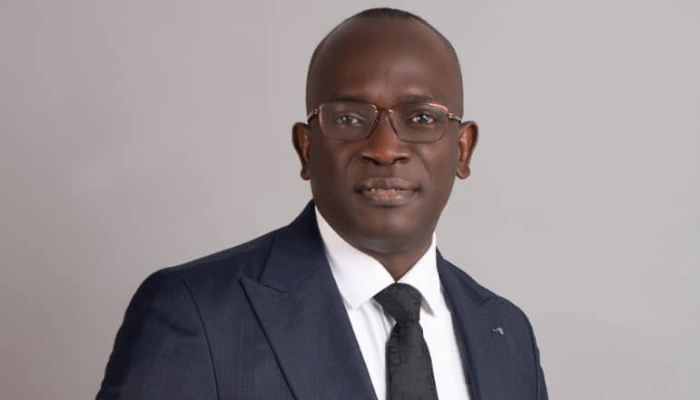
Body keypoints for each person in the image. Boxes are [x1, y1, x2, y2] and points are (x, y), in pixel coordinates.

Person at [96, 8, 548, 400]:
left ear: (463, 150)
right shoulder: (195, 313)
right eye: (349, 118)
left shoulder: (507, 334)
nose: (385, 149)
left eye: (421, 117)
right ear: (307, 149)